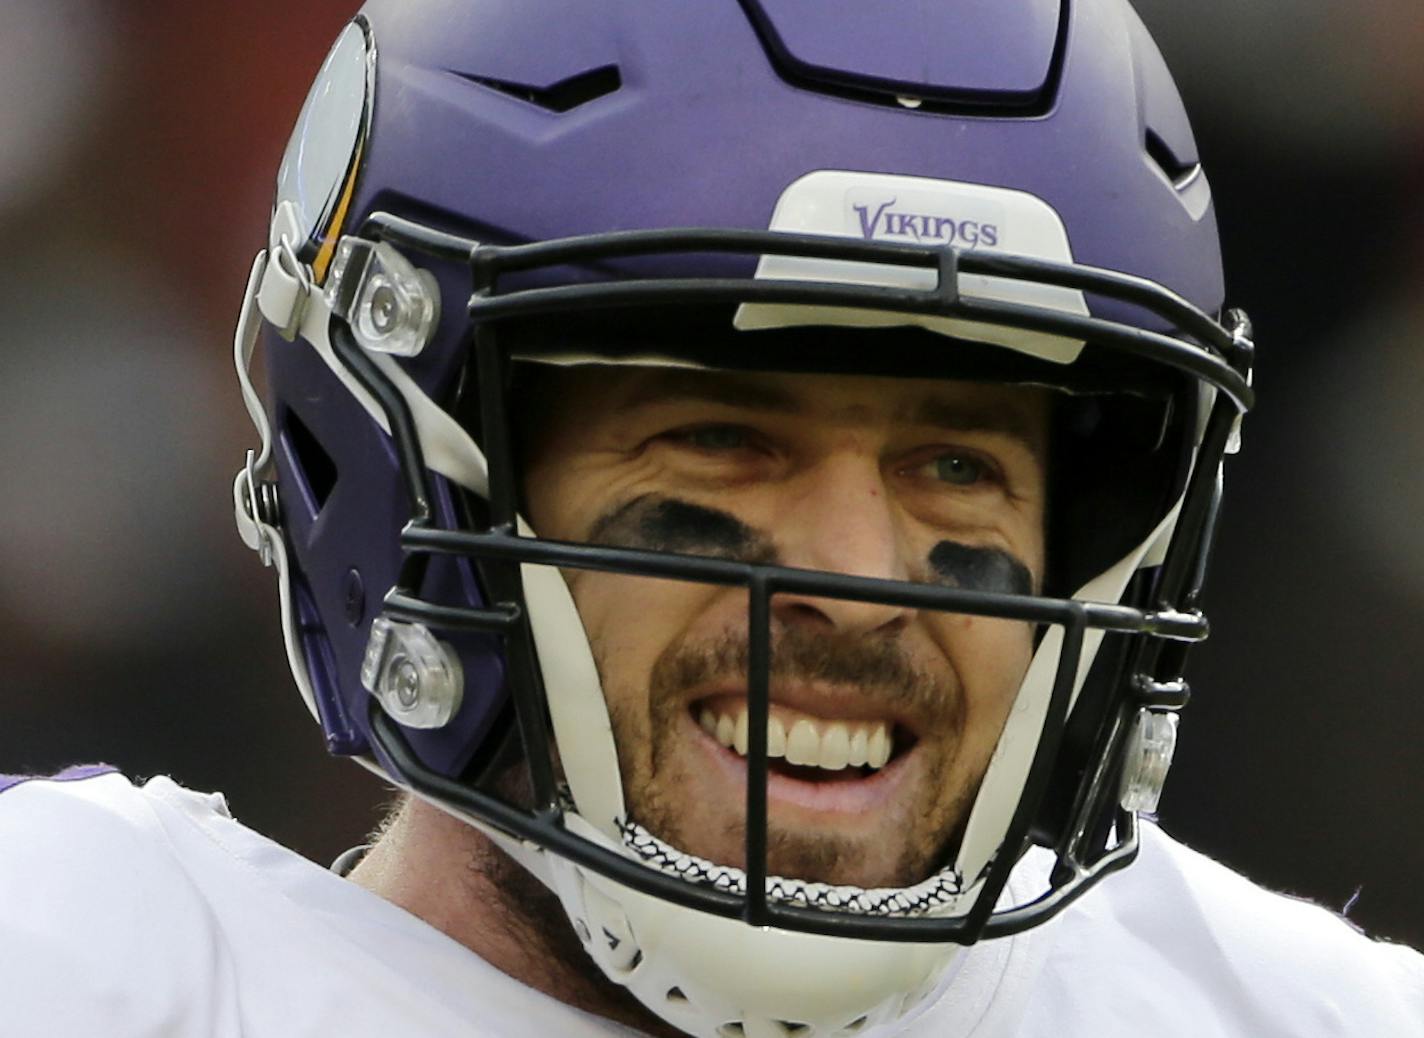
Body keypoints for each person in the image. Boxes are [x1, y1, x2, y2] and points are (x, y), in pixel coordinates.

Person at [2, 2, 1421, 1036]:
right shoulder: (96, 970)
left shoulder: (1292, 1014)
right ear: (416, 476)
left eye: (959, 466)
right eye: (725, 438)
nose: (859, 583)